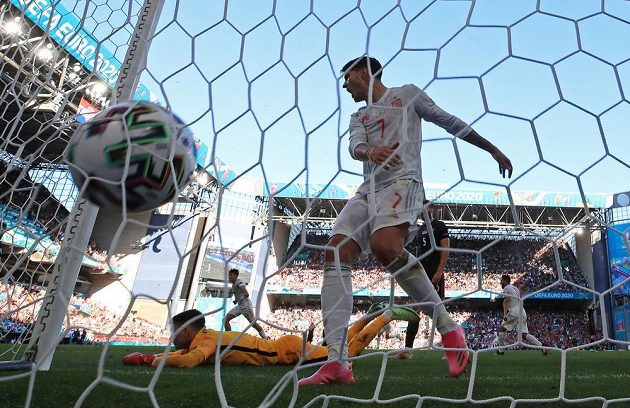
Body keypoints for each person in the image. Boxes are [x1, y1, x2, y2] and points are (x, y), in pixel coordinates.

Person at [302, 56, 513, 385]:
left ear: (364, 72)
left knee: (384, 247)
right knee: (334, 252)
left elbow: (447, 120)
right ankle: (338, 361)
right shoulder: (358, 115)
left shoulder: (407, 95)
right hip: (368, 191)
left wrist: (492, 149)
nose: (344, 85)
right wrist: (370, 152)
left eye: (347, 78)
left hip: (404, 183)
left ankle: (448, 328)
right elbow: (355, 145)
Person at [122, 306, 420, 371]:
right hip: (284, 346)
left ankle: (385, 317)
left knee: (345, 354)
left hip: (285, 353)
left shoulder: (206, 343)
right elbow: (188, 356)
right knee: (336, 348)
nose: (172, 338)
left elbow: (189, 361)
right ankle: (369, 317)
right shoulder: (207, 336)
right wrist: (159, 357)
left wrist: (150, 359)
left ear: (187, 331)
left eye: (175, 332)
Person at [391, 199, 450, 360]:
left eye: (425, 208)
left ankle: (449, 349)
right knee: (414, 311)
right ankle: (407, 351)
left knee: (439, 310)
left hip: (434, 273)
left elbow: (445, 250)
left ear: (430, 208)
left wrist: (439, 271)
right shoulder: (419, 229)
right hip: (420, 274)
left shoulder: (440, 226)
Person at [496, 274, 547, 355]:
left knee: (502, 329)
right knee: (524, 334)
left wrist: (505, 314)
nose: (500, 282)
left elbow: (506, 300)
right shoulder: (515, 288)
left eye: (501, 281)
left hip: (514, 312)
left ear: (505, 281)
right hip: (522, 311)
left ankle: (500, 351)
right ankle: (542, 347)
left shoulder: (507, 288)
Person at [224, 268, 268, 339]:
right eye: (229, 275)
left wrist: (245, 293)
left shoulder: (239, 282)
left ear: (235, 275)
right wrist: (236, 300)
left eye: (230, 275)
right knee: (225, 320)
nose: (229, 277)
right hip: (240, 306)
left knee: (253, 323)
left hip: (246, 306)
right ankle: (228, 338)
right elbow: (239, 294)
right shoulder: (233, 285)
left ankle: (266, 338)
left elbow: (245, 292)